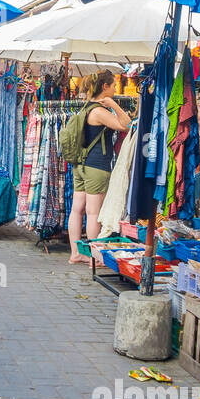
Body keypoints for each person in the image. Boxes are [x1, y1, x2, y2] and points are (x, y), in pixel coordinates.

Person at [67, 71, 132, 264]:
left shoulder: (86, 108)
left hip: (80, 165)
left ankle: (75, 253)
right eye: (113, 86)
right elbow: (127, 125)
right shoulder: (99, 111)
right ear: (105, 87)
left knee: (76, 210)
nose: (115, 89)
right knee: (94, 212)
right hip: (96, 166)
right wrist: (113, 105)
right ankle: (94, 257)